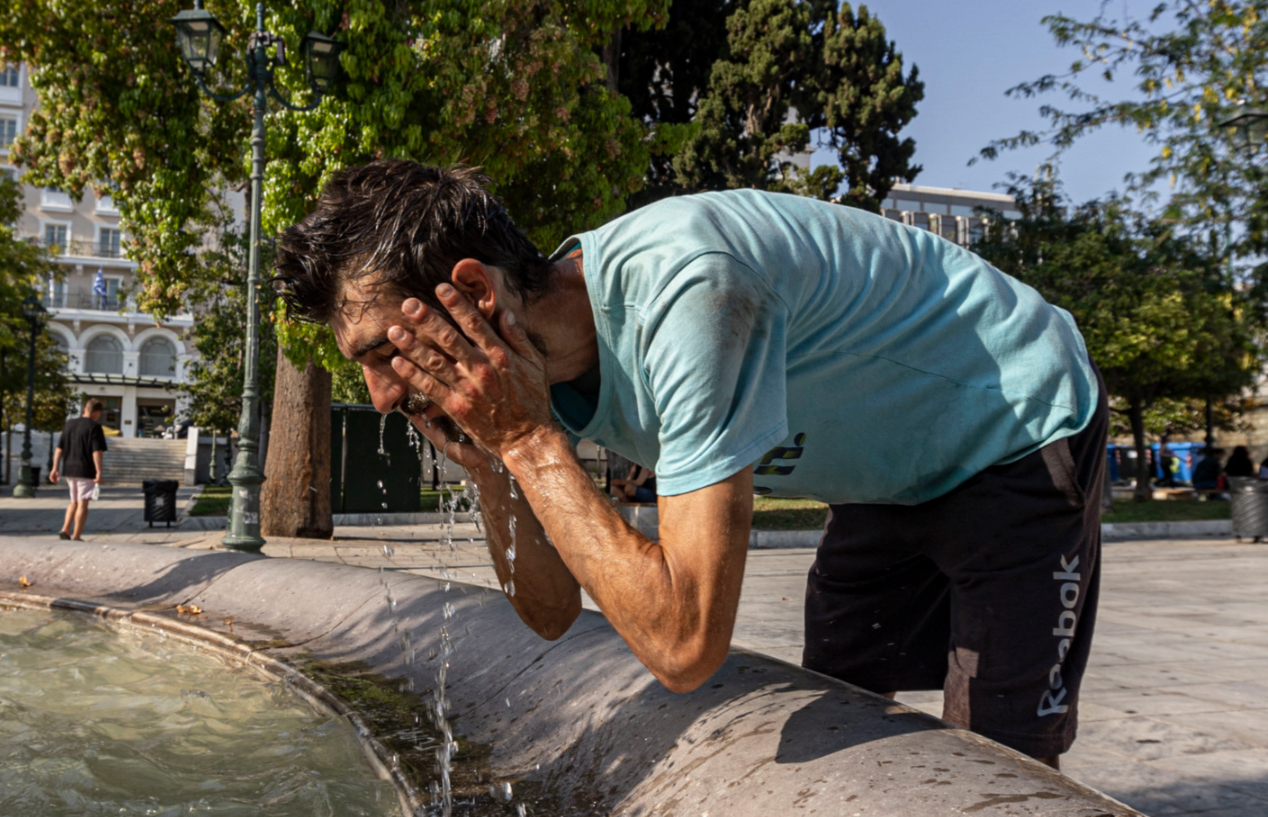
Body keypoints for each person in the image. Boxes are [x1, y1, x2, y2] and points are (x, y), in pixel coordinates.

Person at [277, 160, 1106, 768]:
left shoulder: (688, 290)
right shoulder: (531, 380)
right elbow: (553, 612)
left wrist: (529, 444)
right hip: (881, 477)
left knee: (1004, 761)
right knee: (838, 722)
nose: (381, 395)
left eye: (383, 351)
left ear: (477, 295)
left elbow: (684, 642)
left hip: (1012, 426)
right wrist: (499, 465)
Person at [50, 398, 109, 541]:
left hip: (69, 469)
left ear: (85, 409)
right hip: (85, 470)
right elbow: (97, 452)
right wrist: (99, 472)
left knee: (73, 501)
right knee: (83, 503)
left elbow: (59, 449)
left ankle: (65, 528)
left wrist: (55, 468)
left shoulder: (69, 424)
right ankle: (76, 536)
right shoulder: (95, 427)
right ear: (96, 412)